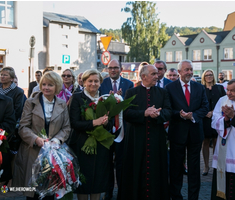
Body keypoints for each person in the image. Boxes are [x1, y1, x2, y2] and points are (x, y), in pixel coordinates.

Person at [13, 71, 71, 200]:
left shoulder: (62, 103)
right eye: (43, 84)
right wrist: (36, 139)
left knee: (50, 192)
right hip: (33, 152)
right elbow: (23, 127)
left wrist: (56, 140)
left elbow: (66, 128)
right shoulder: (31, 102)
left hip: (54, 154)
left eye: (50, 85)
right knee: (33, 193)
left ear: (56, 86)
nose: (46, 87)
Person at [120, 64, 172, 200]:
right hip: (136, 138)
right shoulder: (131, 92)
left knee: (156, 170)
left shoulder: (162, 92)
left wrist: (158, 115)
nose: (157, 76)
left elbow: (168, 111)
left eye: (157, 73)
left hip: (156, 138)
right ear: (143, 76)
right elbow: (126, 113)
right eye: (153, 74)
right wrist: (144, 113)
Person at [166, 60, 209, 200]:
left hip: (195, 133)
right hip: (177, 133)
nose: (190, 72)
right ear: (179, 72)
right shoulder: (170, 88)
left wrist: (193, 116)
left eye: (191, 69)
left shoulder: (199, 87)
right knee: (176, 168)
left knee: (194, 169)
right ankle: (176, 196)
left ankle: (193, 197)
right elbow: (168, 109)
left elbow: (205, 107)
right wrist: (179, 114)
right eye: (186, 70)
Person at [68, 69, 112, 200]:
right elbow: (74, 123)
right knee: (84, 179)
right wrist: (94, 122)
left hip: (101, 145)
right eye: (90, 81)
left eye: (96, 81)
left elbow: (110, 126)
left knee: (98, 179)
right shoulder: (76, 98)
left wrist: (105, 123)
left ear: (100, 82)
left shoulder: (105, 99)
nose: (93, 83)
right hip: (82, 144)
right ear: (84, 82)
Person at [99, 59, 134, 200]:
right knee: (107, 163)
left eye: (115, 68)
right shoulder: (102, 84)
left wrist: (121, 100)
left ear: (121, 69)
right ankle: (108, 191)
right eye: (110, 68)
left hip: (122, 130)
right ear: (107, 69)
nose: (113, 70)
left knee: (121, 162)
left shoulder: (129, 84)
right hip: (106, 129)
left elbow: (131, 107)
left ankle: (122, 191)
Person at [201, 70, 226, 176]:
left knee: (217, 141)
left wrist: (213, 112)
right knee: (205, 142)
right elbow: (197, 102)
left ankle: (216, 164)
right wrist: (205, 112)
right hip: (204, 118)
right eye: (207, 75)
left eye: (211, 74)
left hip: (217, 118)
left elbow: (224, 101)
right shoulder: (201, 88)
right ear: (204, 77)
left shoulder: (219, 88)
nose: (209, 77)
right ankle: (206, 166)